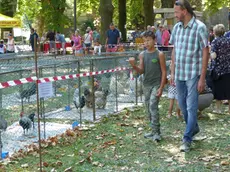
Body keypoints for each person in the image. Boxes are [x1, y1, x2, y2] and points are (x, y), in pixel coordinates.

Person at [169, 0, 209, 152]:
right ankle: (194, 128)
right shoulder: (177, 28)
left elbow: (206, 52)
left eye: (177, 12)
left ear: (184, 11)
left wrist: (202, 77)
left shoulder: (200, 27)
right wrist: (172, 72)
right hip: (179, 73)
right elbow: (174, 50)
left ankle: (187, 139)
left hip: (193, 73)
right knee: (183, 106)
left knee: (191, 108)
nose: (175, 15)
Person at [129, 31, 167, 141]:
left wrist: (161, 87)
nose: (146, 43)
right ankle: (152, 130)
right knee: (148, 108)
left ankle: (157, 132)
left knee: (153, 106)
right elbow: (141, 71)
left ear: (154, 40)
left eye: (148, 40)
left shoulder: (159, 54)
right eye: (144, 41)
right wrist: (133, 66)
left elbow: (164, 72)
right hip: (146, 85)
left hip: (156, 84)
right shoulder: (142, 55)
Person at [209, 24, 230, 114]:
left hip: (218, 69)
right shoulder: (228, 40)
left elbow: (213, 56)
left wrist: (210, 52)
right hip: (228, 68)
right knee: (229, 89)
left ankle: (218, 109)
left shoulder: (215, 41)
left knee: (218, 90)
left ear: (215, 32)